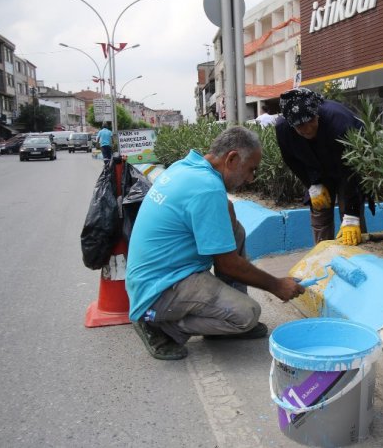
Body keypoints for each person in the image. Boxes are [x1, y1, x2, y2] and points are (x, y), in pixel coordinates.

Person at [125, 126, 305, 360]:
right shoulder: (207, 188)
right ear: (232, 158)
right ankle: (159, 326)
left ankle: (219, 313)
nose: (251, 178)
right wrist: (277, 285)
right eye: (251, 169)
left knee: (236, 230)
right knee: (247, 315)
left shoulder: (188, 166)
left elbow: (222, 211)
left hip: (157, 275)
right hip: (159, 290)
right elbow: (228, 264)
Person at [276, 87, 372, 246]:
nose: (307, 129)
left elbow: (354, 169)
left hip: (348, 169)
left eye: (311, 121)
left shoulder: (339, 122)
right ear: (291, 125)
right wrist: (312, 185)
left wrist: (351, 214)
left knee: (350, 218)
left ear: (317, 114)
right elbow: (292, 160)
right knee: (320, 210)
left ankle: (358, 257)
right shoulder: (283, 129)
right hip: (317, 170)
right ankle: (322, 255)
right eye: (300, 126)